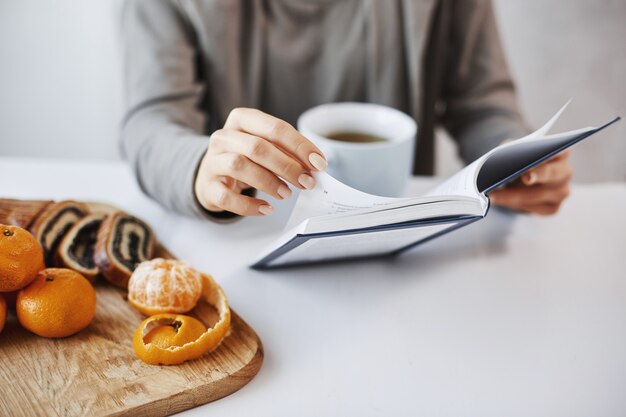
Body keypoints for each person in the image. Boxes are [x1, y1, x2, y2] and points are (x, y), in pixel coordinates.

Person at [121, 0, 573, 220]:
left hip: (401, 258)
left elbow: (481, 105)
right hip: (244, 242)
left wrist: (516, 161)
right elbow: (153, 122)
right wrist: (201, 167)